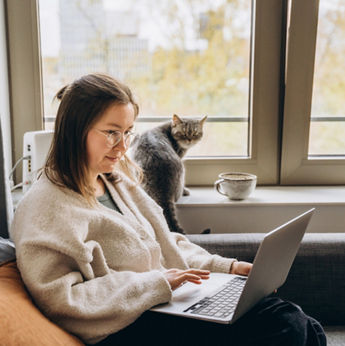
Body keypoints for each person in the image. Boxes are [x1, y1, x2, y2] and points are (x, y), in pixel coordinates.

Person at [10, 73, 326, 346]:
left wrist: (224, 267)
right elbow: (61, 299)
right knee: (287, 325)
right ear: (75, 131)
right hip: (123, 327)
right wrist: (156, 284)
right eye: (111, 133)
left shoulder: (116, 182)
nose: (123, 147)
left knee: (294, 322)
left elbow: (164, 242)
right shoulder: (45, 207)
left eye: (128, 132)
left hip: (163, 305)